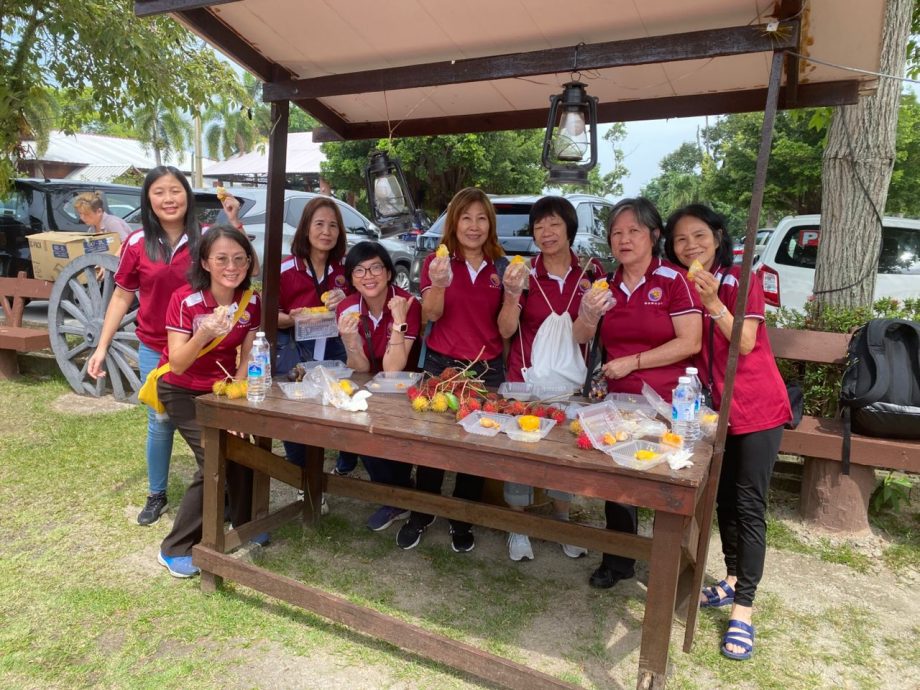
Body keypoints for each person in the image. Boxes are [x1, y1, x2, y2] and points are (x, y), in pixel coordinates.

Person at [664, 203, 791, 661]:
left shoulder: (741, 280)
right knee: (722, 500)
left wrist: (715, 301)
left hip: (758, 411)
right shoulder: (684, 286)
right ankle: (733, 578)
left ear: (718, 237)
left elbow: (746, 342)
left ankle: (743, 611)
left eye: (699, 236)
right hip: (717, 416)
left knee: (749, 505)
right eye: (680, 240)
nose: (690, 246)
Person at [87, 166, 244, 526]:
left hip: (206, 347)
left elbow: (238, 265)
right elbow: (122, 295)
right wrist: (101, 345)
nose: (169, 199)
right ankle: (157, 493)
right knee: (159, 422)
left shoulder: (206, 238)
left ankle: (221, 487)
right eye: (159, 192)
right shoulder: (137, 243)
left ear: (187, 196)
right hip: (154, 346)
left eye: (176, 190)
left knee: (217, 418)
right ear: (148, 200)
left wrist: (235, 226)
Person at [579, 197, 702, 589]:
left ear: (654, 235)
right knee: (617, 480)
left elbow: (690, 341)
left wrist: (633, 362)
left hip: (667, 403)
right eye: (617, 232)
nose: (624, 239)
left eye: (633, 231)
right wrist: (587, 314)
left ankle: (672, 565)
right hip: (617, 401)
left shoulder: (672, 280)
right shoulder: (606, 285)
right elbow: (579, 338)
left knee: (665, 483)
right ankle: (618, 560)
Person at [497, 196, 610, 562]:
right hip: (524, 380)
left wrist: (590, 315)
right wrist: (512, 294)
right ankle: (518, 525)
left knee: (564, 456)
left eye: (554, 224)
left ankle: (562, 522)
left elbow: (584, 336)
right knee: (520, 453)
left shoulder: (591, 274)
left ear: (569, 229)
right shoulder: (522, 272)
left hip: (570, 382)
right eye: (539, 226)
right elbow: (504, 329)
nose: (545, 233)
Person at [396, 187, 505, 553]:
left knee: (474, 447)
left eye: (481, 218)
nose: (473, 226)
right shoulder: (437, 261)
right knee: (432, 444)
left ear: (490, 224)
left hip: (486, 368)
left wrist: (516, 295)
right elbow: (431, 314)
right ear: (453, 223)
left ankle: (461, 516)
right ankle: (423, 511)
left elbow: (506, 328)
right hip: (442, 364)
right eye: (465, 218)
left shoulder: (502, 267)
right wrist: (439, 285)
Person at [156, 225, 262, 578]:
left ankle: (243, 521)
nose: (231, 267)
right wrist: (205, 331)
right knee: (213, 455)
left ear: (248, 262)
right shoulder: (185, 300)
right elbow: (178, 362)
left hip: (221, 388)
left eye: (239, 259)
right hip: (180, 388)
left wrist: (236, 402)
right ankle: (175, 547)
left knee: (242, 445)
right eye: (221, 259)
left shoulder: (251, 301)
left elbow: (248, 357)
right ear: (205, 262)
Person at [335, 241, 422, 531]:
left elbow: (393, 367)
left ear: (387, 272)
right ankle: (395, 494)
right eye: (359, 270)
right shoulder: (347, 308)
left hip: (404, 388)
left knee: (397, 441)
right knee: (360, 432)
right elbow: (359, 367)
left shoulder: (408, 303)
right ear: (351, 278)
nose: (367, 276)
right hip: (368, 385)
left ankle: (398, 493)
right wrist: (349, 340)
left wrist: (398, 323)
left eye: (375, 268)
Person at [276, 196, 357, 478]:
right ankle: (303, 476)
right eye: (319, 224)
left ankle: (345, 466)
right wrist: (293, 318)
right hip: (299, 352)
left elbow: (364, 302)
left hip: (337, 349)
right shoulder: (286, 269)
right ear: (306, 229)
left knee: (344, 407)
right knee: (297, 416)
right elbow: (268, 314)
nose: (326, 232)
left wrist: (347, 299)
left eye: (333, 225)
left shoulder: (346, 269)